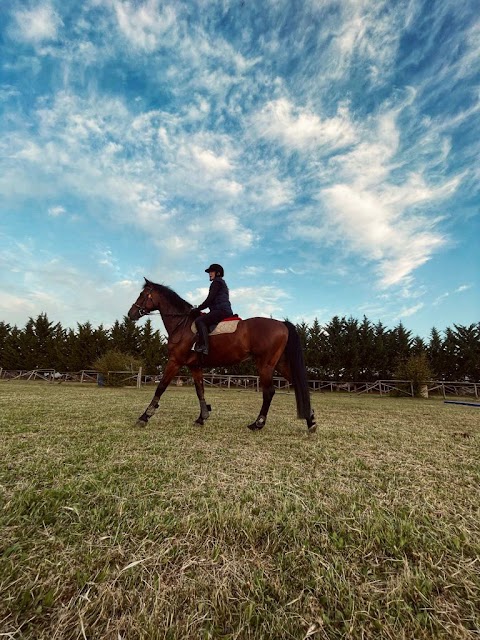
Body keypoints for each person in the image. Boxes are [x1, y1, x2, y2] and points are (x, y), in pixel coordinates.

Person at [191, 263, 233, 355]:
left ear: (217, 273)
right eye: (209, 272)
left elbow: (210, 299)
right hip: (222, 310)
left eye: (211, 272)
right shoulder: (221, 282)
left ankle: (204, 346)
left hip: (221, 311)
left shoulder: (217, 282)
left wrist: (198, 309)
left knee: (199, 321)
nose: (209, 274)